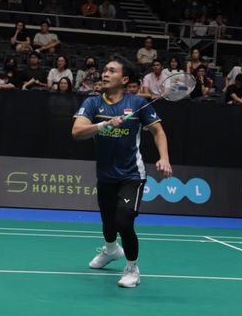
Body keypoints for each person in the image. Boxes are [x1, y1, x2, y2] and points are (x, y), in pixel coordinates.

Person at [71, 54, 172, 288]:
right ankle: (110, 250)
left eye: (112, 71)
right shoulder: (93, 103)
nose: (105, 73)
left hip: (131, 174)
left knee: (124, 222)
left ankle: (132, 268)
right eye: (104, 69)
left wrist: (164, 158)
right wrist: (104, 124)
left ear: (124, 79)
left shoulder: (137, 104)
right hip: (105, 174)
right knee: (108, 222)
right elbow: (76, 131)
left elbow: (158, 131)